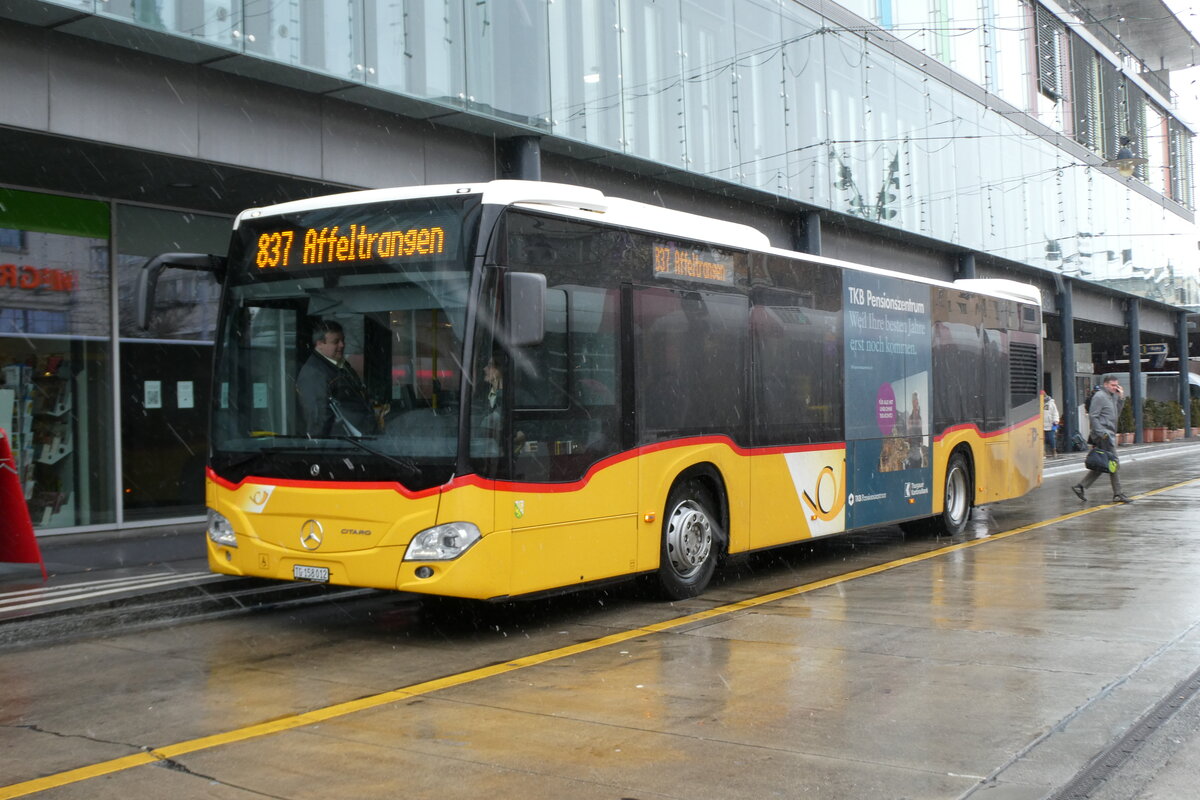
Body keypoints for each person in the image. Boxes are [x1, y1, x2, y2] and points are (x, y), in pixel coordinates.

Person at [296, 320, 376, 436]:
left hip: (359, 440)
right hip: (344, 444)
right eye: (336, 342)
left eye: (343, 340)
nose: (342, 345)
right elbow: (318, 419)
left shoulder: (340, 365)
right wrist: (326, 449)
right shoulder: (314, 374)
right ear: (319, 344)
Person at [1072, 374, 1130, 504]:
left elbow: (1117, 413)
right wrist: (1101, 433)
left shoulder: (1112, 397)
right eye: (1112, 385)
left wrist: (1120, 398)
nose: (1115, 388)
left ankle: (1080, 486)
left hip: (1109, 433)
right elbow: (1093, 416)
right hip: (1103, 435)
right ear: (1105, 384)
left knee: (1103, 464)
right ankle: (1118, 493)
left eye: (1116, 385)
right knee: (1113, 463)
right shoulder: (1099, 396)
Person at [1043, 392, 1060, 457]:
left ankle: (1054, 450)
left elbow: (1055, 413)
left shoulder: (1051, 403)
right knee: (1042, 439)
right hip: (1041, 425)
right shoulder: (1039, 403)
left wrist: (1056, 421)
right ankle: (1043, 452)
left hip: (1050, 424)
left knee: (1051, 438)